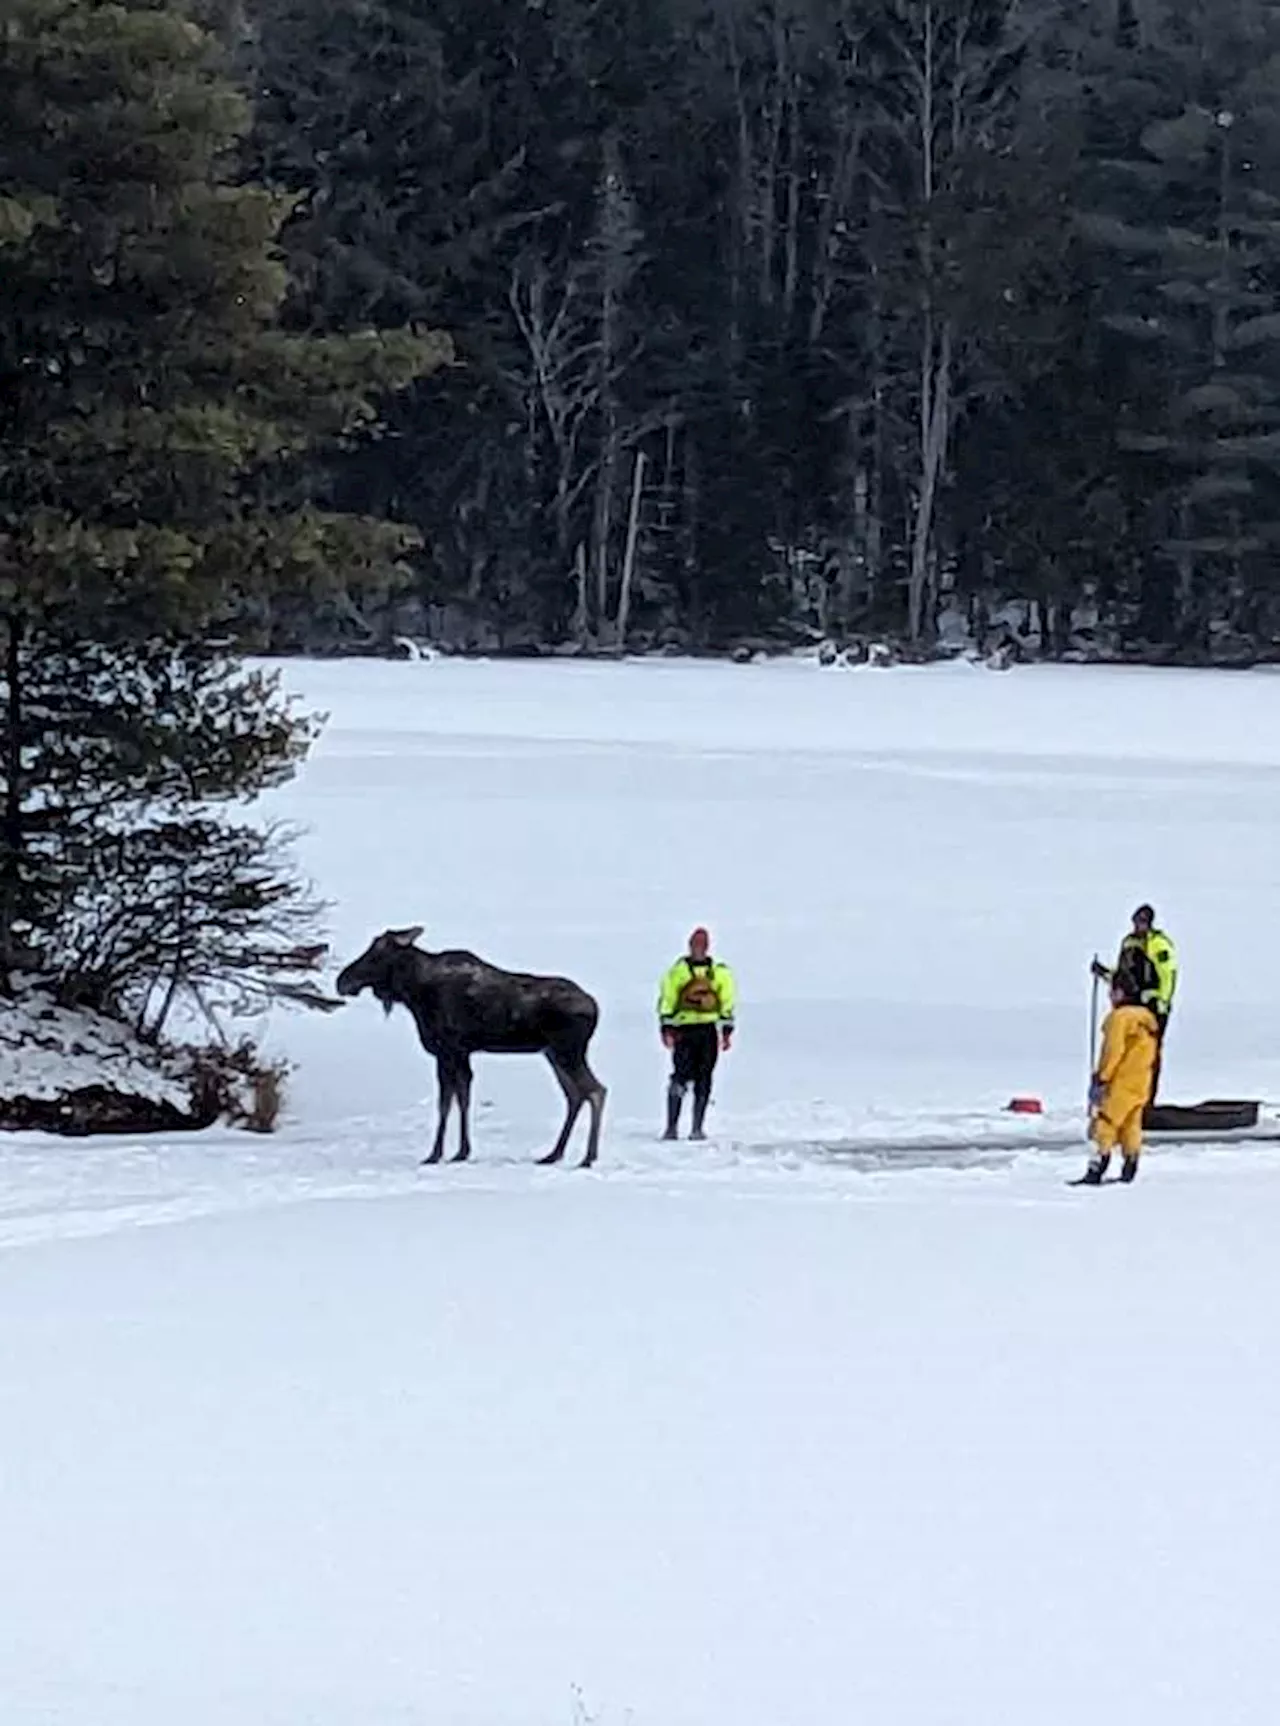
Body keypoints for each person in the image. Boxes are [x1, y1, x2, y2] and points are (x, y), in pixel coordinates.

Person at [1079, 972, 1160, 1184]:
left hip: (1120, 1082)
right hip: (1141, 1081)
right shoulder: (1146, 1019)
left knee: (1105, 1123)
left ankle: (1097, 1167)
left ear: (1119, 993)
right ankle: (1130, 1164)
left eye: (1111, 991)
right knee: (1131, 1125)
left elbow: (1113, 1051)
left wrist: (1102, 1077)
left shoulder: (1119, 1019)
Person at [1091, 903, 1177, 1100]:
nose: (1139, 926)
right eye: (1137, 922)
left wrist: (1160, 1000)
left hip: (1151, 1007)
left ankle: (1146, 1100)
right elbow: (1123, 975)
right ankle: (1122, 1098)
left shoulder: (1159, 945)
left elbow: (1167, 976)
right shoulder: (1129, 943)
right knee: (1123, 1052)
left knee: (1147, 1055)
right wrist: (1104, 973)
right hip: (1129, 1005)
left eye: (1143, 922)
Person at [657, 927, 735, 1141]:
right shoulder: (677, 972)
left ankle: (697, 1127)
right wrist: (666, 1028)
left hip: (708, 1031)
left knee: (705, 1077)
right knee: (679, 1076)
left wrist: (727, 1031)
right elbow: (668, 999)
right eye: (696, 943)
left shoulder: (719, 972)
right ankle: (671, 1127)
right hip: (684, 1030)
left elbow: (727, 1000)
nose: (699, 947)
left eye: (702, 943)